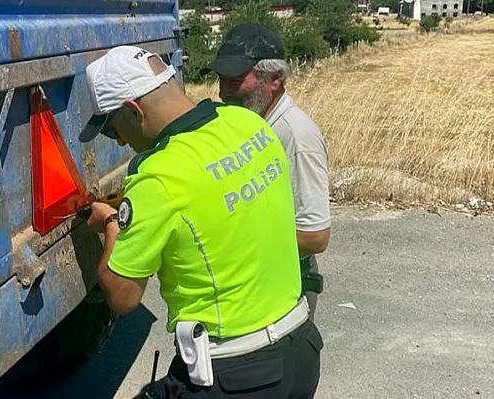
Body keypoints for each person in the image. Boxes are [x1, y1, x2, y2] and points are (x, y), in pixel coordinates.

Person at [79, 45, 323, 398]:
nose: (118, 139)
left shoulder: (158, 177)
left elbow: (123, 296)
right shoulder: (249, 123)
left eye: (112, 127)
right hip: (302, 350)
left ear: (134, 111)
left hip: (236, 376)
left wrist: (114, 224)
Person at [204, 23, 332, 319]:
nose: (223, 92)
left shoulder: (296, 136)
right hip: (259, 279)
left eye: (235, 81)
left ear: (274, 79)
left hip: (287, 284)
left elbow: (315, 237)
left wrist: (231, 235)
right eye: (222, 79)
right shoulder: (253, 124)